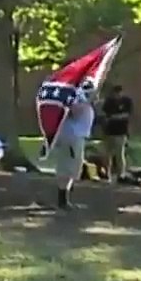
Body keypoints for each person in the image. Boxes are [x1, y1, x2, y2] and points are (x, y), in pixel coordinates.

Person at [51, 81, 97, 210]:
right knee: (67, 168)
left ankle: (65, 197)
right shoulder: (76, 101)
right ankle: (62, 199)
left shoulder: (84, 102)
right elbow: (73, 111)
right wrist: (86, 102)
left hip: (77, 137)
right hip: (71, 138)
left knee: (75, 169)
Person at [100, 83, 133, 183]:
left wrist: (114, 117)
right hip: (109, 131)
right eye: (115, 94)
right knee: (107, 154)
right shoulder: (109, 102)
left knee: (119, 154)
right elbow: (105, 114)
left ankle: (121, 174)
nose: (116, 95)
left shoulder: (127, 101)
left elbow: (126, 115)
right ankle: (107, 174)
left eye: (118, 93)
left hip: (121, 132)